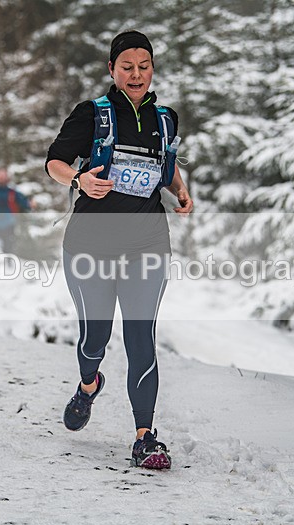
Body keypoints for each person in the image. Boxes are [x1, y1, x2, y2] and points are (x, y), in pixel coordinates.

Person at [45, 30, 193, 469]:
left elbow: (165, 167)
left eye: (144, 66)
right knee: (95, 338)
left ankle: (145, 437)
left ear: (153, 69)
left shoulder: (165, 119)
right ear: (112, 69)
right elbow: (54, 161)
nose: (136, 74)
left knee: (140, 336)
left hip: (147, 241)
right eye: (127, 67)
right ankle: (89, 384)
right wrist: (78, 180)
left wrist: (181, 191)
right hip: (90, 243)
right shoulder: (92, 114)